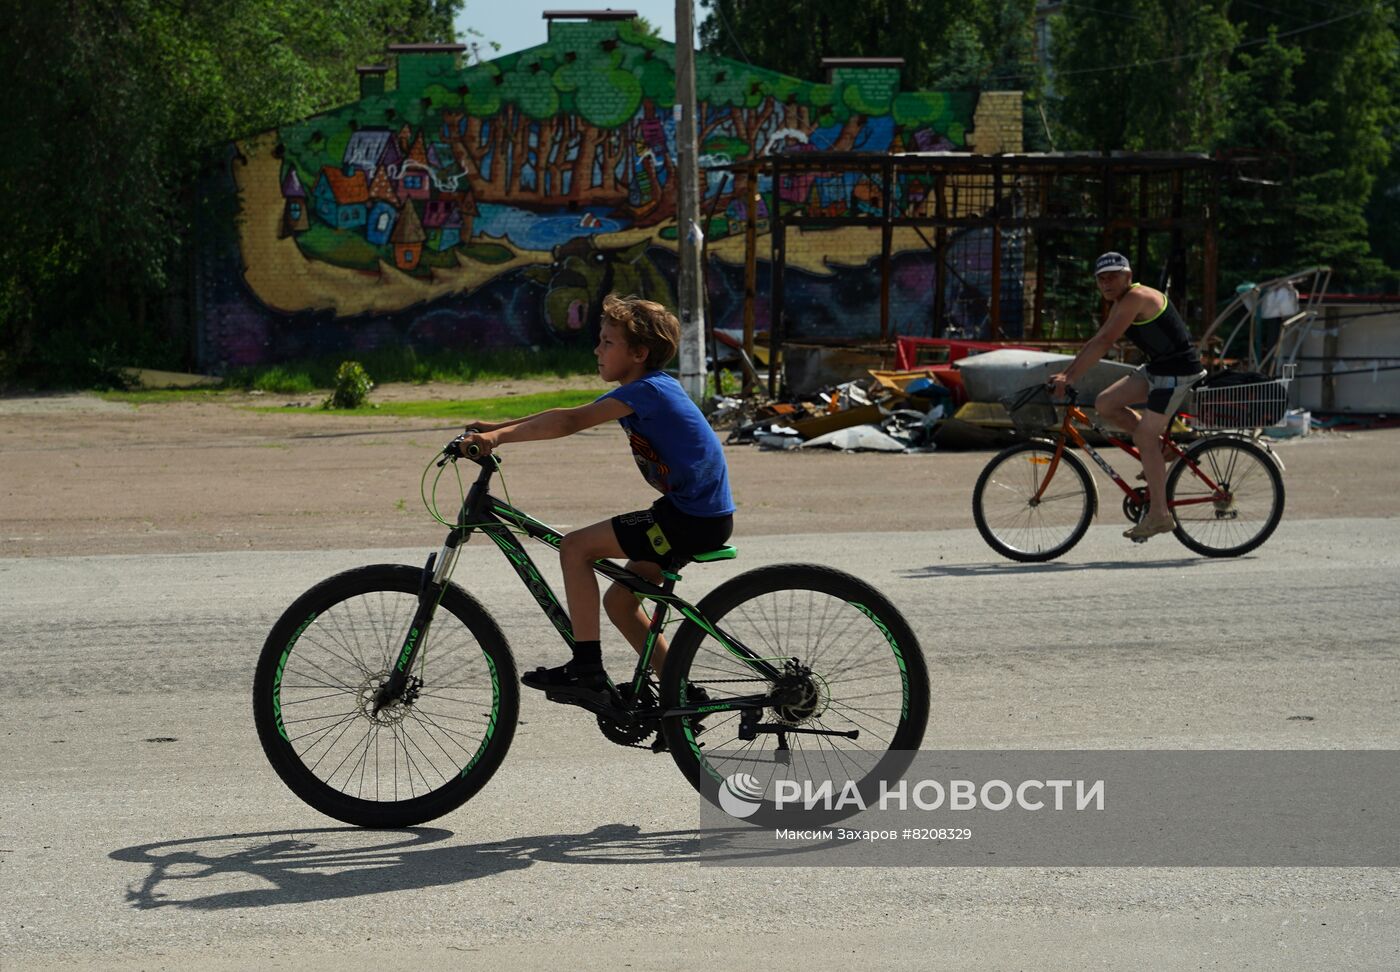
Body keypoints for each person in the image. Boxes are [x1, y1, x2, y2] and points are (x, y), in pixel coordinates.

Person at [461, 294, 735, 700]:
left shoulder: (648, 391)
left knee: (575, 548)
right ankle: (680, 694)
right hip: (690, 514)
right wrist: (495, 428)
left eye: (608, 342)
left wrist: (497, 438)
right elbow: (566, 412)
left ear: (639, 353)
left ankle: (586, 667)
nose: (597, 349)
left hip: (689, 520)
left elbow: (570, 421)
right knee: (622, 604)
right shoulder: (646, 389)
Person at [1049, 252, 1206, 541]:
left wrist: (1070, 377)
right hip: (1157, 370)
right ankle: (1162, 450)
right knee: (1105, 404)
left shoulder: (1137, 298)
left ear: (1128, 276)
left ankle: (1159, 515)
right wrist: (1067, 373)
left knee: (1143, 438)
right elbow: (1099, 339)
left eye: (1113, 276)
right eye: (1101, 278)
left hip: (1176, 374)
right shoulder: (1122, 302)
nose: (1107, 283)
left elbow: (1105, 342)